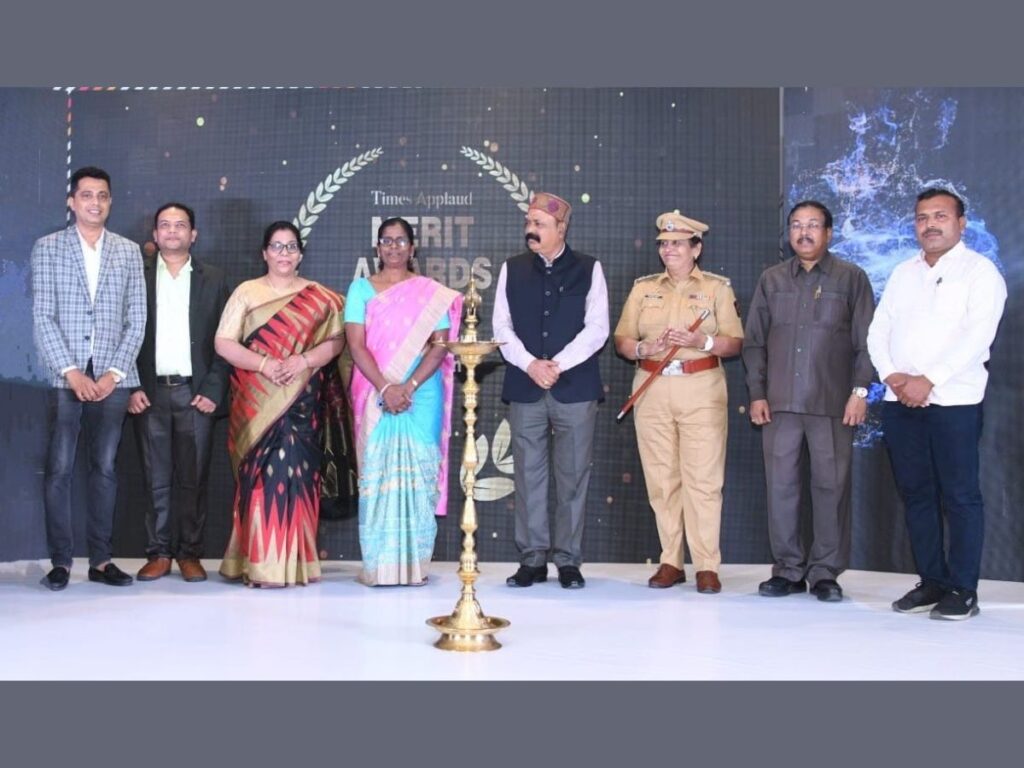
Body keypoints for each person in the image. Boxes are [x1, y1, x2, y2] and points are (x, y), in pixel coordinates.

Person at [867, 188, 1006, 620]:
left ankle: (963, 589)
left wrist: (928, 380)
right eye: (922, 217)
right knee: (916, 494)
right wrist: (893, 376)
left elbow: (978, 337)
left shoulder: (980, 272)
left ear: (961, 223)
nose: (930, 224)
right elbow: (878, 329)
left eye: (940, 216)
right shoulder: (903, 273)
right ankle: (932, 580)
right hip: (901, 401)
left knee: (960, 496)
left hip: (954, 402)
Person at [742, 201, 875, 602]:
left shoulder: (851, 278)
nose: (804, 232)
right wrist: (757, 393)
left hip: (832, 403)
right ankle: (787, 569)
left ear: (828, 233)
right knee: (781, 488)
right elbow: (754, 342)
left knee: (830, 488)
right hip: (779, 404)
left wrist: (860, 391)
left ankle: (824, 573)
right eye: (797, 225)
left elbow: (868, 343)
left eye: (813, 225)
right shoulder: (772, 280)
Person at [614, 211, 743, 594]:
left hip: (701, 388)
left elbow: (735, 343)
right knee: (661, 479)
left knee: (703, 481)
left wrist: (702, 341)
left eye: (677, 243)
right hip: (652, 388)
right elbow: (622, 339)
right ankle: (671, 560)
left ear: (696, 249)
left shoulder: (717, 289)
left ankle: (706, 565)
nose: (668, 249)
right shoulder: (643, 289)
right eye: (664, 244)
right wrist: (643, 348)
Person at [31, 166, 146, 590]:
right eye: (86, 195)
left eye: (102, 195)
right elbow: (43, 317)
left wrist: (115, 373)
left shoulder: (128, 251)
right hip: (66, 376)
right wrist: (71, 371)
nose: (94, 203)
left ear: (110, 201)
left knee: (105, 468)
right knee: (59, 469)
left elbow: (137, 318)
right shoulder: (48, 248)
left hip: (114, 377)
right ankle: (61, 562)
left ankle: (101, 560)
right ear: (72, 201)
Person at [214, 221, 346, 587]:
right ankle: (260, 565)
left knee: (299, 479)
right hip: (256, 403)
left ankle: (298, 565)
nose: (284, 254)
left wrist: (302, 361)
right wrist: (265, 365)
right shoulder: (247, 292)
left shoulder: (323, 298)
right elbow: (224, 342)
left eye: (291, 247)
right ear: (264, 253)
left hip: (302, 402)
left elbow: (337, 343)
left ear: (300, 254)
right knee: (259, 479)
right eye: (276, 246)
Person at [493, 192, 609, 589]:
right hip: (525, 384)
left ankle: (569, 561)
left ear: (562, 229)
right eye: (529, 222)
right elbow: (501, 327)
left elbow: (598, 328)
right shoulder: (512, 269)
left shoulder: (589, 268)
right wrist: (530, 364)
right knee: (528, 475)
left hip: (574, 387)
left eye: (539, 224)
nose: (531, 229)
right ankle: (532, 559)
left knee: (573, 476)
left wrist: (557, 364)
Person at [345, 217, 462, 586]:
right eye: (386, 241)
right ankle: (379, 567)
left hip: (421, 391)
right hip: (374, 387)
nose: (393, 247)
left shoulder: (430, 293)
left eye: (400, 241)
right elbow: (356, 345)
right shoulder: (361, 289)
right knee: (377, 475)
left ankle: (415, 568)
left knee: (419, 476)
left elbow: (440, 345)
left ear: (412, 248)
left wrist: (408, 385)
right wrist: (385, 388)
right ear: (377, 248)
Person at [128, 203, 231, 583]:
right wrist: (131, 385)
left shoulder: (215, 279)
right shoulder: (135, 276)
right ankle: (158, 553)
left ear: (194, 234)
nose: (172, 231)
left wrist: (213, 388)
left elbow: (228, 338)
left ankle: (190, 554)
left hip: (195, 393)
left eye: (180, 225)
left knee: (194, 479)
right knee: (154, 478)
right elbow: (120, 335)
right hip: (149, 392)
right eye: (165, 225)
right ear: (155, 234)